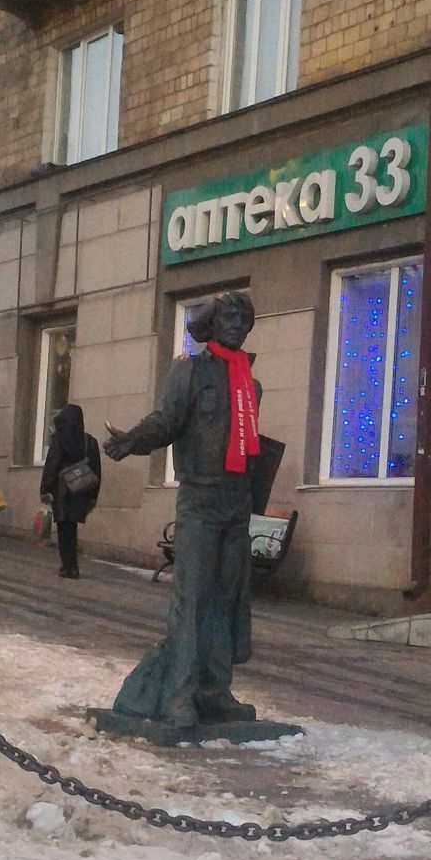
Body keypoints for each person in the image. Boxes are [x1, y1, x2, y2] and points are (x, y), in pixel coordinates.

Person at [103, 290, 263, 730]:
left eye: (243, 318)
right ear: (211, 324)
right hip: (200, 501)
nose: (236, 324)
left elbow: (249, 449)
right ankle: (178, 696)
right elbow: (167, 422)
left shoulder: (252, 383)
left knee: (225, 600)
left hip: (236, 504)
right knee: (191, 599)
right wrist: (133, 439)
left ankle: (215, 691)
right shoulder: (188, 371)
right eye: (228, 317)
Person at [39, 402, 101, 579]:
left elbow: (52, 465)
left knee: (64, 528)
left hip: (62, 490)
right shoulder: (90, 441)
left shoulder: (59, 439)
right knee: (72, 527)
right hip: (81, 490)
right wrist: (93, 495)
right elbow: (96, 470)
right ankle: (72, 565)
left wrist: (45, 489)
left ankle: (68, 565)